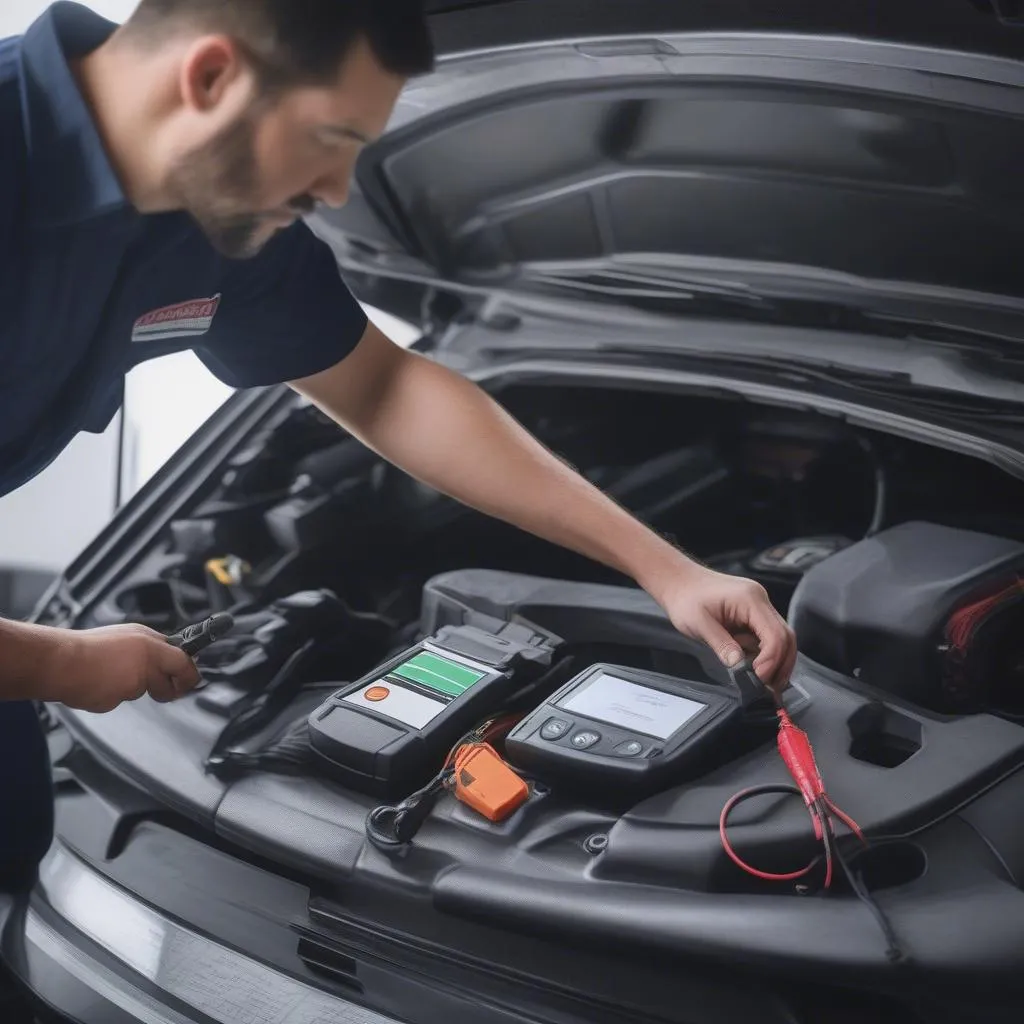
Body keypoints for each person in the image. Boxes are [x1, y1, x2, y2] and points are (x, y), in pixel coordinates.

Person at [0, 0, 797, 886]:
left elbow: (385, 387)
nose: (339, 191)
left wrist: (668, 571)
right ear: (211, 77)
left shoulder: (211, 214)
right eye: (333, 137)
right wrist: (61, 660)